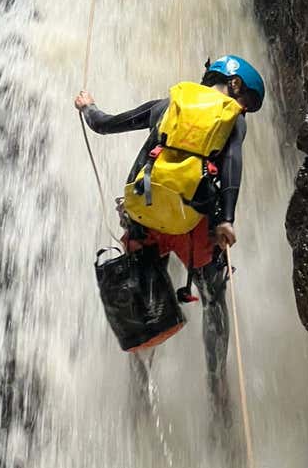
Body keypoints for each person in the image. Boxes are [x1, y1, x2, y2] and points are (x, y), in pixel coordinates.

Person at [74, 55, 265, 430]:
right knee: (213, 301)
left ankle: (140, 384)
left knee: (141, 292)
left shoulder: (166, 106)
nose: (243, 110)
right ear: (237, 86)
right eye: (247, 104)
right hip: (194, 226)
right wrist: (226, 219)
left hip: (144, 217)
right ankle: (216, 386)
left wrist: (87, 107)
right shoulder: (232, 118)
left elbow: (106, 125)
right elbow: (232, 166)